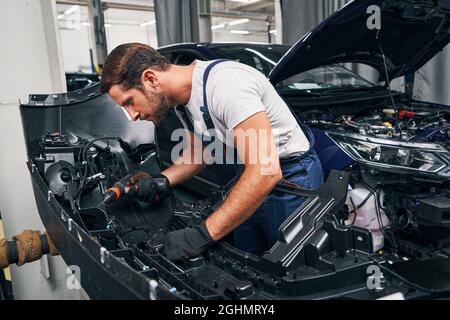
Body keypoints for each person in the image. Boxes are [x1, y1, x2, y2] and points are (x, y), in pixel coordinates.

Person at [100, 43, 323, 261]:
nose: (133, 116)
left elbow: (266, 171)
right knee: (249, 261)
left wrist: (201, 235)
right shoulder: (182, 101)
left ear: (150, 79)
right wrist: (160, 180)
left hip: (292, 181)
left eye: (130, 102)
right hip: (250, 175)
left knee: (288, 269)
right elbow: (200, 155)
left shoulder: (226, 86)